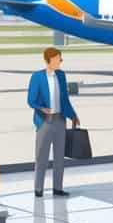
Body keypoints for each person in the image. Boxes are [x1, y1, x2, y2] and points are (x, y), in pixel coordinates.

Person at [27, 46, 80, 198]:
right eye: (58, 59)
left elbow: (65, 99)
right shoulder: (37, 77)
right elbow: (31, 100)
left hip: (60, 120)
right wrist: (42, 109)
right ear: (48, 60)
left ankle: (58, 188)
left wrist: (73, 115)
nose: (60, 61)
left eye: (60, 59)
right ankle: (38, 189)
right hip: (44, 121)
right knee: (41, 158)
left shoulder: (61, 76)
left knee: (59, 157)